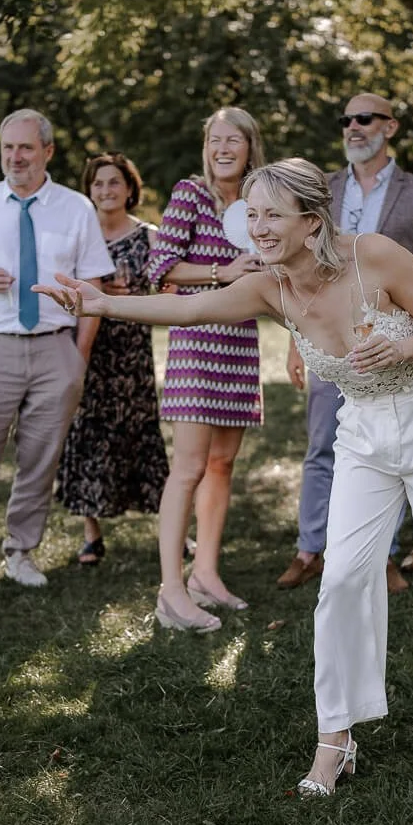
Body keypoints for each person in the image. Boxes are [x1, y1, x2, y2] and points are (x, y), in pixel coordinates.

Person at [35, 158, 413, 794]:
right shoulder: (270, 286)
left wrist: (401, 346)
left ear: (312, 223)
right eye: (250, 214)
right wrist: (101, 302)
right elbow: (192, 310)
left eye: (270, 215)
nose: (255, 227)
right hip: (367, 434)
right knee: (340, 579)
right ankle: (335, 738)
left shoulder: (378, 255)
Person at [0, 109, 113, 595]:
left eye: (25, 147)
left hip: (56, 351)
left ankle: (21, 551)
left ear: (47, 151)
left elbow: (93, 286)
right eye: (8, 148)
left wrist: (78, 356)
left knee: (40, 458)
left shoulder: (75, 208)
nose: (16, 157)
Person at [276, 92, 413, 595]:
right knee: (321, 443)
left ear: (389, 127)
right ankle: (310, 547)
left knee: (391, 449)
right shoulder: (322, 189)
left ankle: (385, 556)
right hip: (328, 341)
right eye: (346, 119)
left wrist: (398, 314)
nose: (352, 127)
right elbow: (295, 274)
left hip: (391, 343)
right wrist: (297, 340)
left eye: (364, 118)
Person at [145, 107, 267, 631]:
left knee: (222, 465)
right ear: (206, 146)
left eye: (233, 140)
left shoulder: (260, 203)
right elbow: (161, 268)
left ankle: (206, 574)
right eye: (215, 139)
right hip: (195, 343)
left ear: (249, 147)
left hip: (239, 341)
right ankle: (171, 591)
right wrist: (223, 271)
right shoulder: (189, 195)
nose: (223, 148)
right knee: (189, 467)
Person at [54, 152, 170, 565]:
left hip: (132, 351)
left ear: (130, 188)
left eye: (114, 183)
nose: (106, 190)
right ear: (88, 190)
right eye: (98, 184)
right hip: (88, 349)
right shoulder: (76, 237)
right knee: (89, 434)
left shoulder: (150, 236)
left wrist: (129, 300)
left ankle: (172, 532)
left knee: (141, 433)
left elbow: (170, 294)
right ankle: (91, 533)